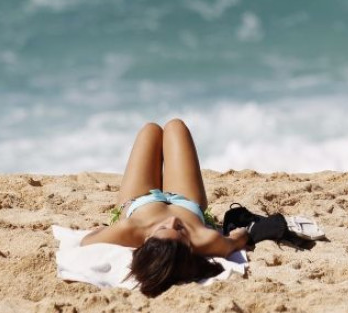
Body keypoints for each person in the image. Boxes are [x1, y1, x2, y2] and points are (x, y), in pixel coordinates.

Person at [81, 119, 249, 296]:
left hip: (139, 199)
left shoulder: (130, 229)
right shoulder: (206, 240)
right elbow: (240, 237)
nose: (173, 220)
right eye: (180, 230)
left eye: (162, 228)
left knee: (150, 129)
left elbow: (86, 241)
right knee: (176, 126)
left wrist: (104, 231)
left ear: (146, 240)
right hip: (187, 201)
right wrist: (235, 237)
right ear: (191, 247)